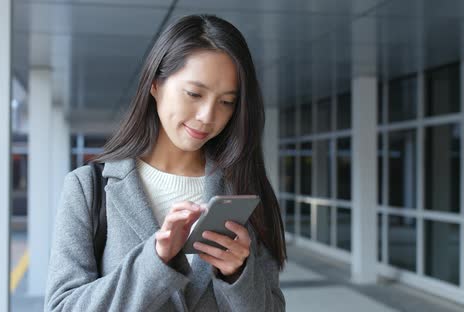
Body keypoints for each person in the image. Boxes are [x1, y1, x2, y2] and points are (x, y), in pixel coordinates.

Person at [44, 14, 287, 311]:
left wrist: (237, 275)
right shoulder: (88, 188)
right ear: (155, 84)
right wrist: (155, 262)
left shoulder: (243, 189)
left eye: (227, 102)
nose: (208, 116)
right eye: (194, 94)